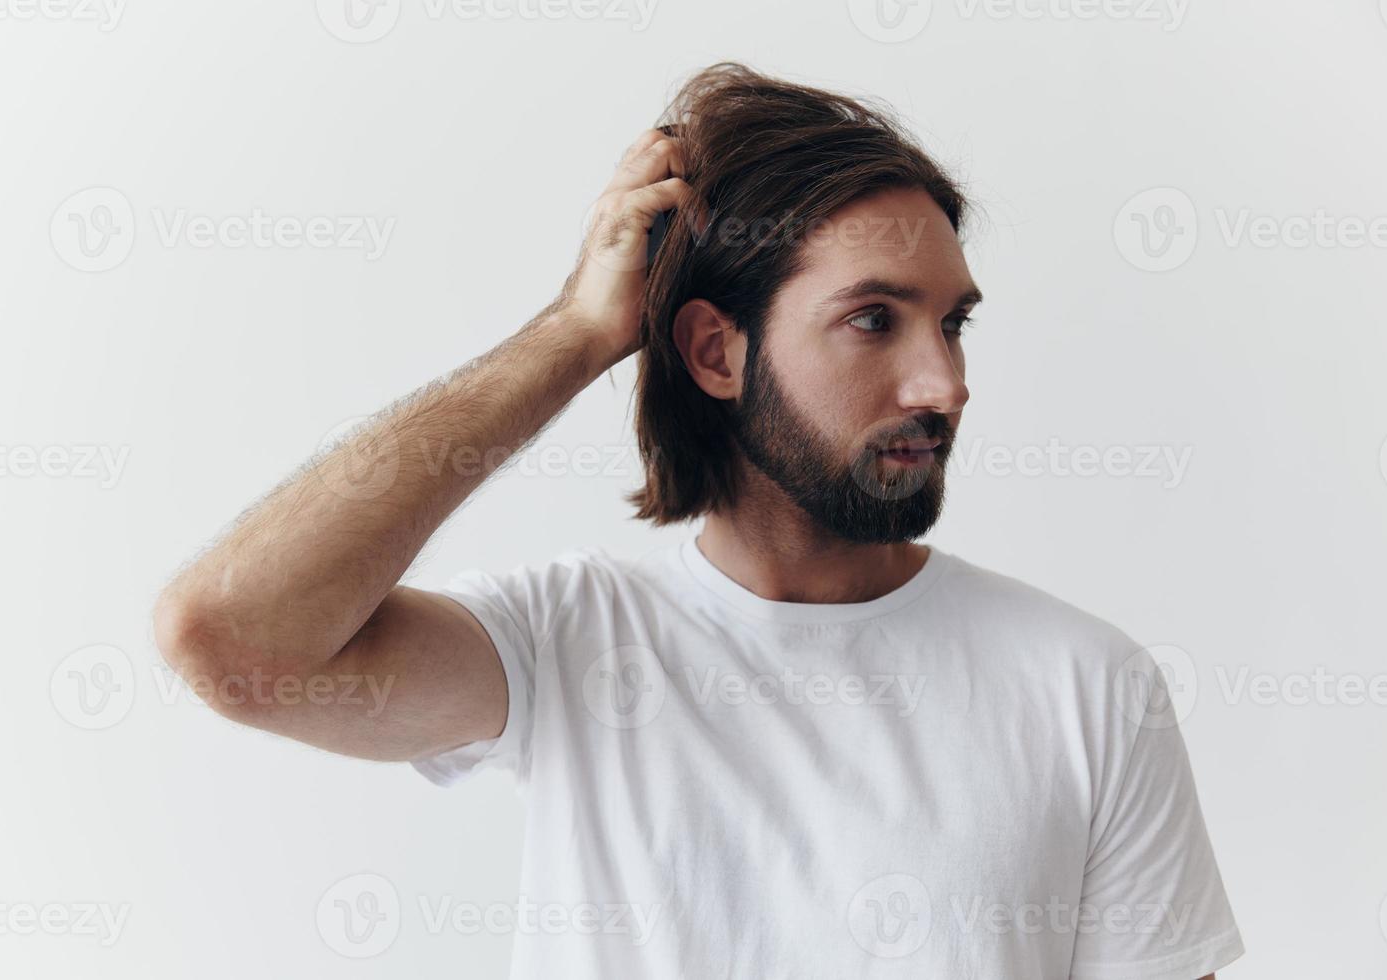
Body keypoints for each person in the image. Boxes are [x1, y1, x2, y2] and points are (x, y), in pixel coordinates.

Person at [153, 62, 1244, 979]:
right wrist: (576, 332)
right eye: (875, 319)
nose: (943, 383)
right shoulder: (569, 644)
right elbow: (232, 638)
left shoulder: (1085, 683)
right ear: (717, 352)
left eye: (951, 323)